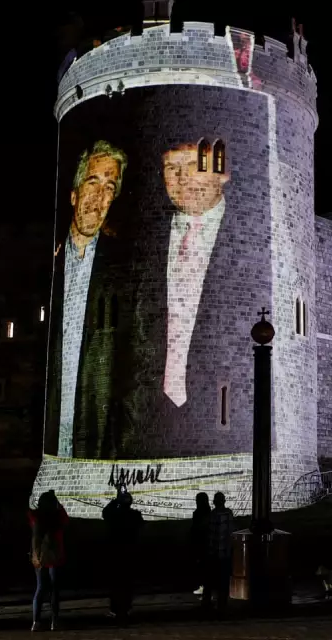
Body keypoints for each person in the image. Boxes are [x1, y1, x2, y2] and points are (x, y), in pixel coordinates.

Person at [122, 138, 231, 457]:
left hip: (217, 429)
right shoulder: (139, 242)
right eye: (172, 168)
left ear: (222, 170)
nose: (182, 178)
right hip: (143, 425)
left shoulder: (257, 238)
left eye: (194, 164)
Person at [44, 139, 129, 459]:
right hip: (48, 434)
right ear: (74, 194)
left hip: (94, 441)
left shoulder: (122, 273)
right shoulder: (49, 265)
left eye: (109, 187)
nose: (99, 196)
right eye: (92, 182)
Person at [29, 491, 69, 631]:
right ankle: (54, 621)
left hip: (40, 555)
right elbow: (65, 519)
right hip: (55, 556)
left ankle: (36, 622)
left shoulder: (36, 517)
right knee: (54, 590)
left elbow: (30, 515)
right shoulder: (58, 518)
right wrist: (59, 505)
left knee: (40, 588)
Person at [102, 486, 144, 621]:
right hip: (130, 554)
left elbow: (105, 512)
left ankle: (115, 609)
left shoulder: (115, 515)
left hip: (116, 553)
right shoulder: (135, 515)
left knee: (115, 583)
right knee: (128, 583)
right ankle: (127, 608)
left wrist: (116, 500)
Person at [202, 492, 234, 613]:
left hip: (213, 554)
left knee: (209, 581)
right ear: (224, 501)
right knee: (223, 582)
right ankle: (222, 605)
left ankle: (207, 604)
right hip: (225, 554)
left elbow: (208, 536)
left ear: (214, 502)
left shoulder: (212, 515)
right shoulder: (229, 514)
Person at [191, 492, 211, 596]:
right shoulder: (210, 512)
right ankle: (207, 589)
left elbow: (195, 530)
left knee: (201, 567)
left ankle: (203, 588)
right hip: (209, 544)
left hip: (200, 544)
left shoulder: (197, 513)